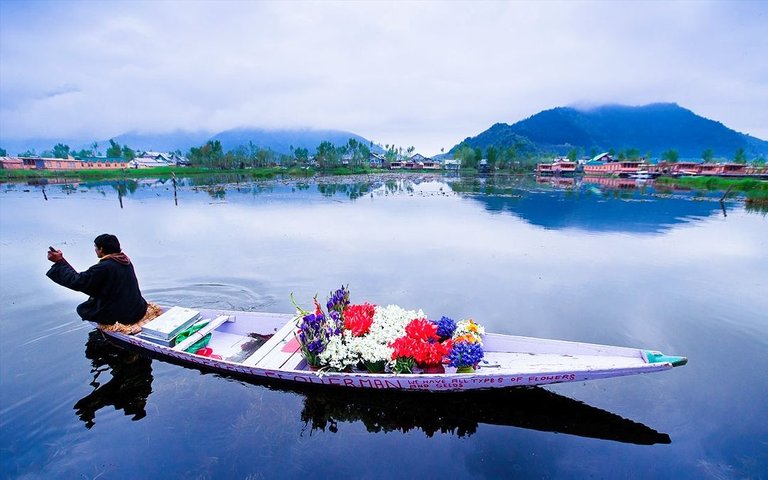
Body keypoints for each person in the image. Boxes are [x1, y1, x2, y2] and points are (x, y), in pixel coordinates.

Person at [47, 234, 149, 332]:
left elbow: (78, 282)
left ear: (101, 249)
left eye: (96, 247)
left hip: (124, 316)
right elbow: (86, 280)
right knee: (94, 302)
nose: (95, 250)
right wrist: (62, 261)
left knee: (84, 309)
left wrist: (59, 262)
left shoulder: (103, 267)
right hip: (138, 309)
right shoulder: (124, 260)